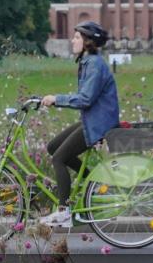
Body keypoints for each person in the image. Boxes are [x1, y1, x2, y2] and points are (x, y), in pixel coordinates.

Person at [41, 21, 120, 227]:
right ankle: (92, 181)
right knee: (53, 147)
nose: (72, 41)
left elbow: (85, 99)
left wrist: (56, 99)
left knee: (58, 159)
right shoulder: (88, 62)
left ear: (87, 42)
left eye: (76, 37)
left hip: (99, 124)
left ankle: (63, 212)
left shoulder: (94, 64)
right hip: (93, 120)